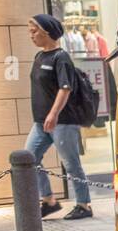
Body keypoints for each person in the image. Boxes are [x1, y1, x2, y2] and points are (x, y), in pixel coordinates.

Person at [24, 14, 92, 220]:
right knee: (29, 159)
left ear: (47, 33)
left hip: (62, 122)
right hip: (41, 122)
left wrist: (53, 114)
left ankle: (84, 205)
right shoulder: (39, 57)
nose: (31, 36)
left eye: (34, 32)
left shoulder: (61, 58)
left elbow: (65, 88)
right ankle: (49, 201)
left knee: (71, 163)